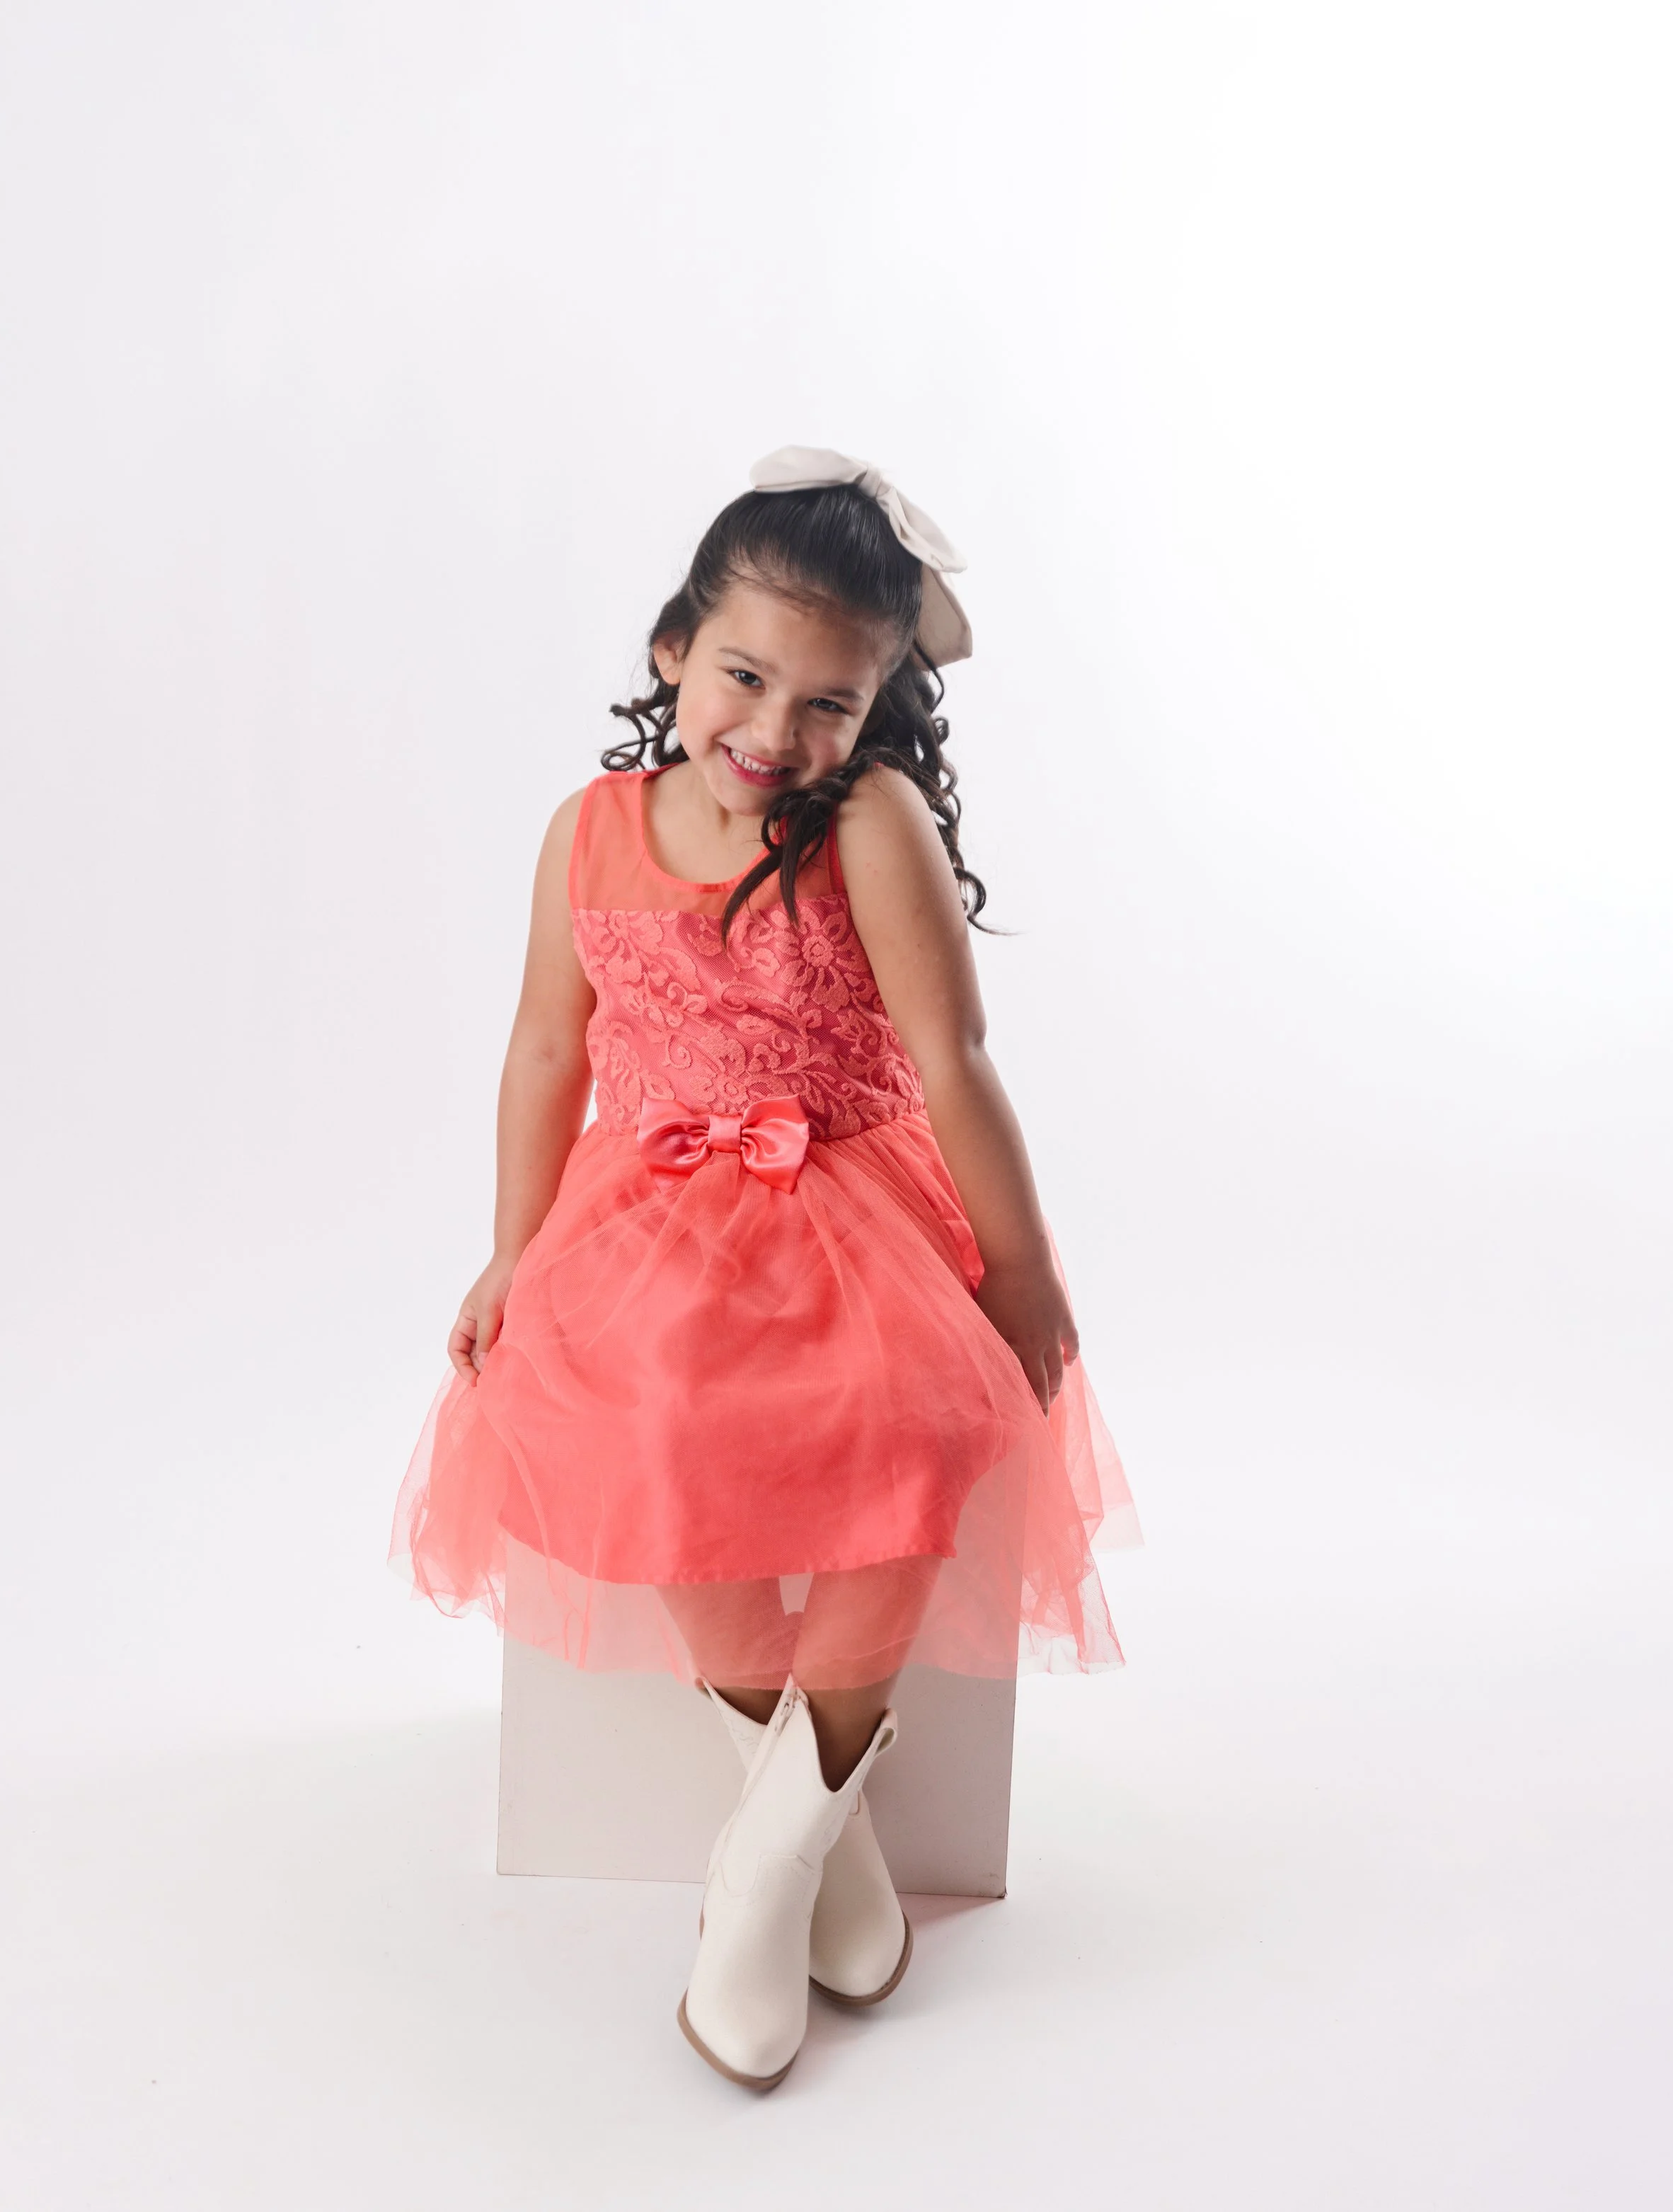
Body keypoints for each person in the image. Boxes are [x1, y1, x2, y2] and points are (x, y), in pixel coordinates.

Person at [389, 446, 1140, 2089]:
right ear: (672, 647)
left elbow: (953, 1064)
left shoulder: (864, 825)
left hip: (852, 1196)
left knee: (914, 1431)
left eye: (828, 699)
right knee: (633, 1429)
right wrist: (513, 1255)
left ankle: (763, 1865)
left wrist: (1018, 1273)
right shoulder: (587, 831)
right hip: (650, 1205)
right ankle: (815, 1832)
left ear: (875, 712)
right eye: (743, 674)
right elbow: (541, 1052)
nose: (773, 730)